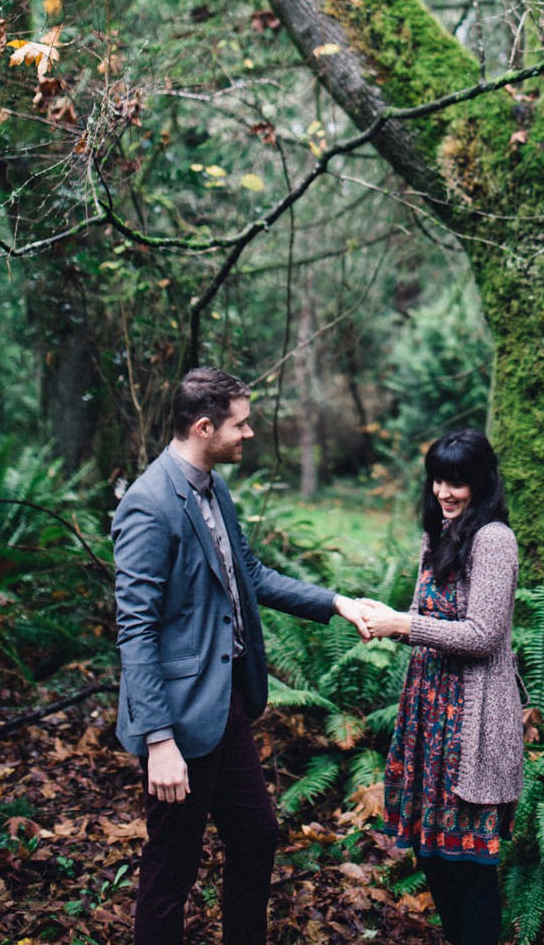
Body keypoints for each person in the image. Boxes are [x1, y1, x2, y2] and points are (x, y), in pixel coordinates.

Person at [111, 365, 372, 945]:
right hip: (177, 717)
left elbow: (248, 574)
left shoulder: (214, 487)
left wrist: (337, 603)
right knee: (171, 869)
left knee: (255, 835)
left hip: (226, 704)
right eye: (242, 424)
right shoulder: (149, 505)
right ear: (204, 428)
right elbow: (136, 630)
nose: (250, 434)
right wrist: (158, 742)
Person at [363, 428, 523, 945]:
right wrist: (378, 618)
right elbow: (419, 614)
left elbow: (483, 635)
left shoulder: (494, 539)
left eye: (457, 482)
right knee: (433, 855)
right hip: (428, 720)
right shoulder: (437, 535)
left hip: (471, 726)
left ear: (482, 483)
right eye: (437, 480)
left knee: (471, 867)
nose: (444, 493)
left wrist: (403, 626)